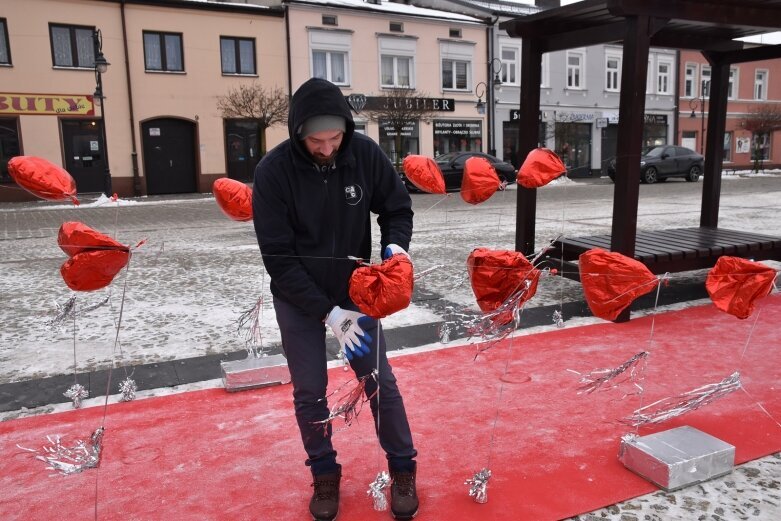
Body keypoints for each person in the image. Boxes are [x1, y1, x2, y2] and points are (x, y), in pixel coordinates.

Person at [252, 78, 419, 521]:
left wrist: (394, 248)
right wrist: (328, 314)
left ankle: (403, 467)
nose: (327, 149)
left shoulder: (364, 154)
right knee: (310, 391)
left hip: (355, 290)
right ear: (297, 133)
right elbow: (279, 260)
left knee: (379, 379)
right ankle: (324, 473)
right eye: (316, 141)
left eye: (335, 139)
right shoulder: (273, 173)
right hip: (297, 298)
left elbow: (396, 208)